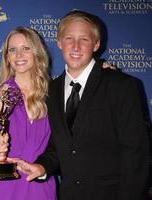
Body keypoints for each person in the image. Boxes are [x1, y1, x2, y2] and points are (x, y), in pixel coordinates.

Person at [12, 10, 150, 200]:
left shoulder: (121, 85)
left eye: (84, 39)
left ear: (96, 44)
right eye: (69, 38)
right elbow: (59, 146)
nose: (75, 46)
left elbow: (136, 154)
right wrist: (42, 167)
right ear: (59, 42)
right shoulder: (51, 89)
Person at [0, 26, 57, 200]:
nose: (19, 55)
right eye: (13, 50)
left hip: (40, 182)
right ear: (7, 57)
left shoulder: (53, 93)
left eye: (26, 48)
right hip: (6, 184)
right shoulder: (2, 94)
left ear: (37, 53)